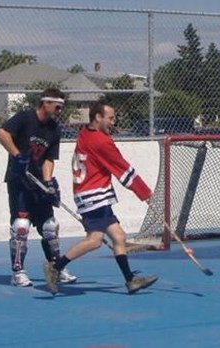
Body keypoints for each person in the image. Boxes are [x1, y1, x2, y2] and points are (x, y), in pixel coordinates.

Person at [43, 97, 158, 295]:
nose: (114, 123)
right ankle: (56, 267)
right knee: (95, 240)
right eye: (110, 118)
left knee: (119, 237)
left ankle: (130, 280)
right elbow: (122, 170)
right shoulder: (101, 142)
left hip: (92, 195)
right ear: (98, 117)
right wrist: (146, 193)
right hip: (94, 196)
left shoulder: (85, 133)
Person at [0, 88, 77, 287]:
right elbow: (2, 133)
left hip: (38, 184)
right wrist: (17, 155)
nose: (59, 110)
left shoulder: (54, 129)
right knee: (21, 227)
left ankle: (55, 267)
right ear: (46, 103)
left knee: (50, 227)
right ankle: (17, 272)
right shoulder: (25, 118)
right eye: (57, 106)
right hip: (20, 182)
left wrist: (48, 182)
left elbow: (49, 158)